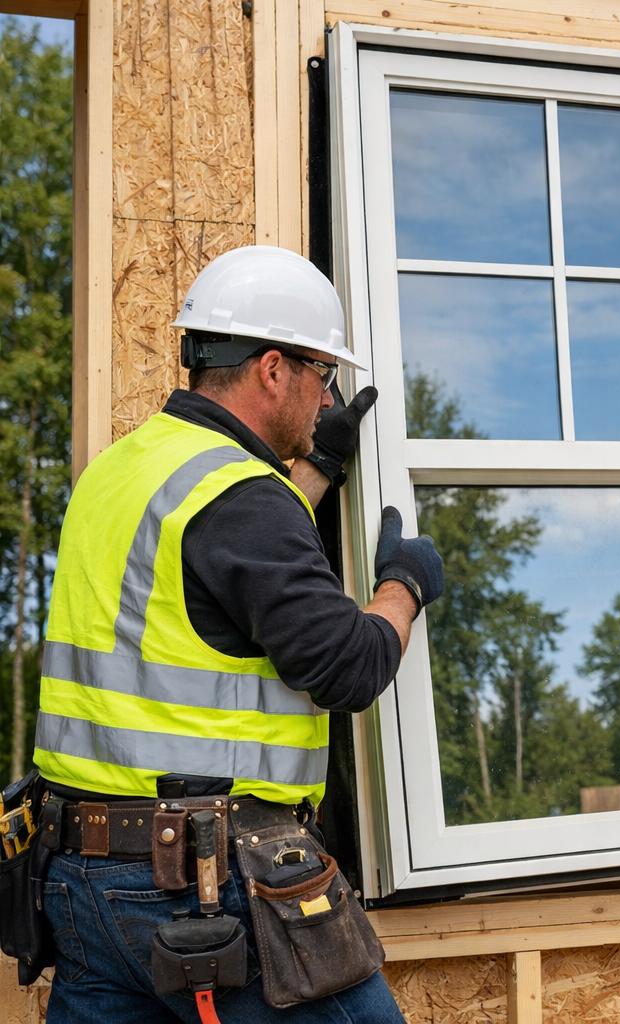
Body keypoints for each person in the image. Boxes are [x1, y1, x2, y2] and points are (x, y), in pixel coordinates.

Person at [31, 246, 443, 1022]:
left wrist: (315, 470)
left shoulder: (119, 472)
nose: (328, 396)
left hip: (83, 881)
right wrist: (404, 587)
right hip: (201, 886)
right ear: (274, 369)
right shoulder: (240, 495)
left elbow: (217, 577)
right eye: (323, 373)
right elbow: (347, 666)